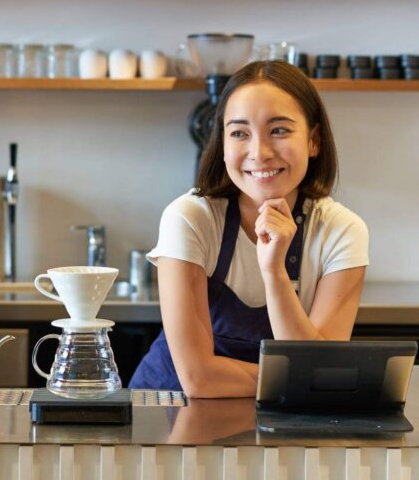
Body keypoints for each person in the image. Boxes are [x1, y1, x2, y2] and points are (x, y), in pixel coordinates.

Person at [129, 60, 369, 398]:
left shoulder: (342, 231)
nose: (259, 152)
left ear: (313, 140)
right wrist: (296, 380)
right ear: (222, 143)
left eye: (279, 130)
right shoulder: (190, 218)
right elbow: (198, 378)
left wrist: (275, 273)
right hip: (168, 409)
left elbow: (319, 372)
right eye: (240, 133)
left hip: (277, 420)